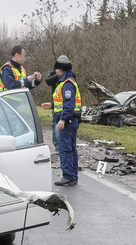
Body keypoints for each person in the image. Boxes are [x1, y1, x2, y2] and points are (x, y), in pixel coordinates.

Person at [52, 55, 81, 187]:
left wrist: (63, 119)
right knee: (71, 148)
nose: (55, 71)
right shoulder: (68, 82)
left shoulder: (67, 84)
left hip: (68, 121)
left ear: (61, 70)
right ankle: (72, 176)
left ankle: (68, 176)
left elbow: (68, 105)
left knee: (66, 149)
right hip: (72, 120)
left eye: (57, 69)